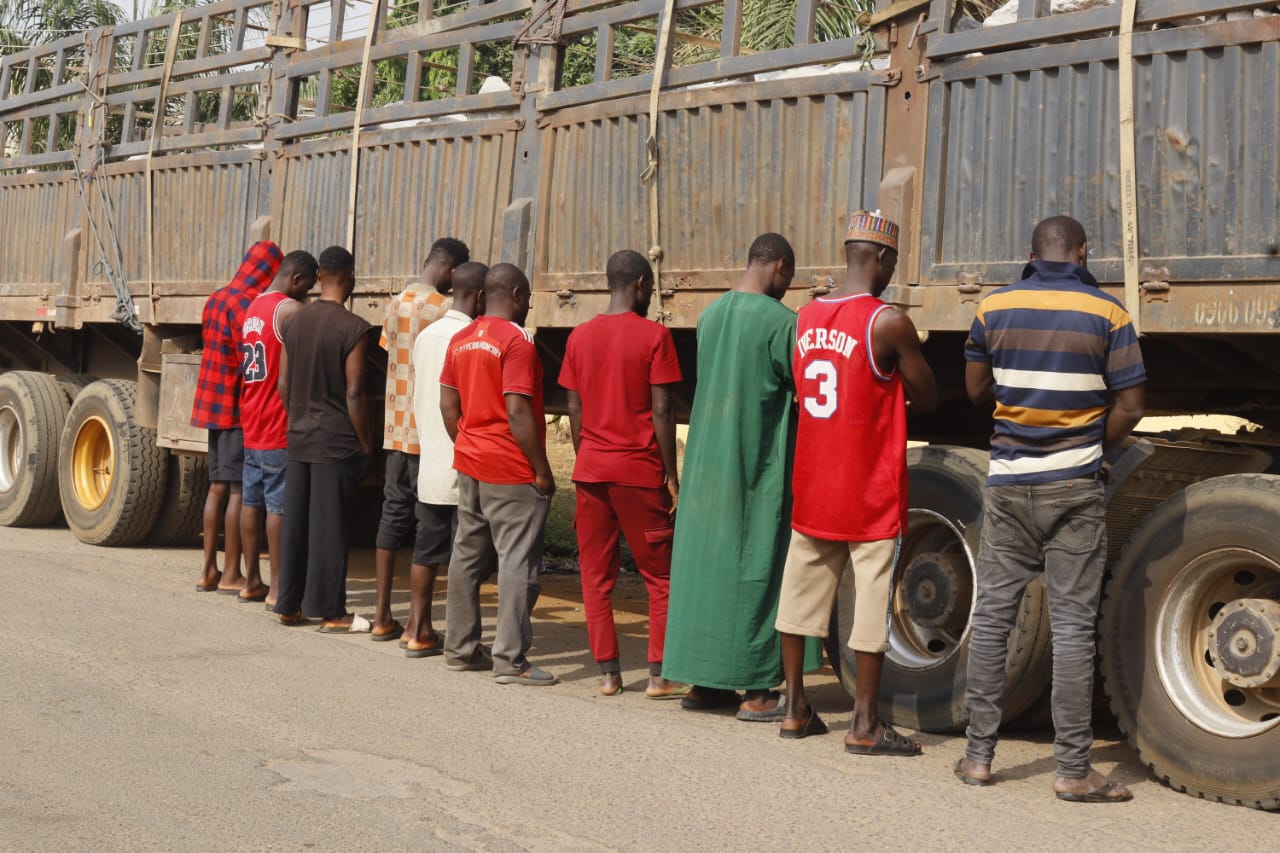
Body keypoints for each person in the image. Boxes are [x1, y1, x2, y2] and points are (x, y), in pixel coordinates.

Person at [956, 215, 1145, 802]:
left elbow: (974, 390)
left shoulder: (993, 308)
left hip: (1009, 484)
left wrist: (1015, 403)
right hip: (1075, 487)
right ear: (1082, 252)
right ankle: (1071, 771)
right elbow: (1132, 404)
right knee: (1069, 629)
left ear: (1032, 253)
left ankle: (979, 759)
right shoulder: (1109, 313)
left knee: (991, 622)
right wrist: (1093, 445)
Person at [774, 212, 938, 753]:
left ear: (849, 252)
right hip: (867, 489)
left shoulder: (804, 318)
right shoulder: (886, 322)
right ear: (885, 259)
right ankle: (865, 723)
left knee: (799, 595)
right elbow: (929, 397)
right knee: (870, 601)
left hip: (815, 480)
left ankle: (795, 706)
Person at [662, 234, 822, 719]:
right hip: (754, 465)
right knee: (757, 566)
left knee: (707, 568)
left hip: (707, 462)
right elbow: (803, 392)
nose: (787, 286)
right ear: (777, 266)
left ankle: (704, 685)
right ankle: (756, 689)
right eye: (788, 277)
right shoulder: (782, 323)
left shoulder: (710, 316)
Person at [558, 250, 688, 698]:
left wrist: (588, 455)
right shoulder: (655, 337)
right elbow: (661, 410)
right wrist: (670, 475)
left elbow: (574, 409)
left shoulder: (579, 338)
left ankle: (609, 675)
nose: (650, 295)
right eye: (649, 287)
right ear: (637, 284)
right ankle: (659, 675)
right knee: (661, 577)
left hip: (591, 471)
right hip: (638, 472)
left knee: (595, 576)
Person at [440, 263, 558, 685]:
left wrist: (468, 445)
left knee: (467, 556)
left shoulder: (460, 338)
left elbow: (448, 406)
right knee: (517, 561)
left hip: (470, 462)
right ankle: (510, 661)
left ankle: (459, 648)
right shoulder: (516, 341)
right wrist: (541, 470)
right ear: (519, 294)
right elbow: (517, 409)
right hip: (509, 467)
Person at [372, 238, 471, 642]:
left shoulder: (395, 303)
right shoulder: (443, 309)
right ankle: (420, 621)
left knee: (391, 517)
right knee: (430, 526)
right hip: (427, 432)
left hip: (394, 430)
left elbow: (389, 354)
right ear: (450, 272)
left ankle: (381, 616)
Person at [272, 246, 375, 632]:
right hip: (334, 441)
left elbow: (283, 383)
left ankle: (288, 605)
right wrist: (364, 443)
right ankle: (331, 612)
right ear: (350, 278)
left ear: (318, 277)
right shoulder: (354, 327)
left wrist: (297, 416)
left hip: (298, 437)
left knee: (296, 523)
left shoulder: (294, 322)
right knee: (329, 527)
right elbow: (354, 394)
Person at [404, 261, 488, 658]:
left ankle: (416, 628)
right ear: (479, 296)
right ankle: (461, 638)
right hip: (464, 463)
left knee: (425, 551)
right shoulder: (473, 337)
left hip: (430, 463)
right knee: (465, 557)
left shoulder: (427, 335)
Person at [191, 240, 282, 594]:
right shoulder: (248, 304)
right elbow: (251, 359)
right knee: (238, 491)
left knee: (215, 487)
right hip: (233, 403)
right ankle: (231, 574)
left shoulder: (216, 297)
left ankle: (208, 570)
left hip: (210, 403)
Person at [237, 250, 318, 607]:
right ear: (297, 279)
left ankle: (250, 579)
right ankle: (277, 587)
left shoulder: (253, 307)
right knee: (278, 506)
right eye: (309, 285)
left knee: (251, 500)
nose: (310, 293)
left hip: (251, 416)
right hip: (275, 420)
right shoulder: (289, 310)